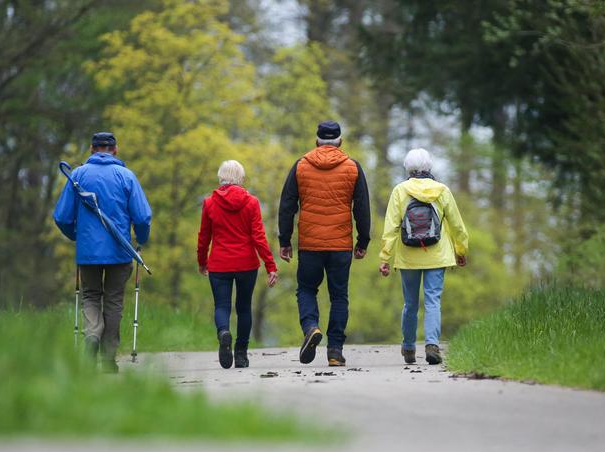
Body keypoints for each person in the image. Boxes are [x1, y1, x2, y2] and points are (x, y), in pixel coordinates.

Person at [53, 132, 152, 373]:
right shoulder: (126, 176)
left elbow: (62, 217)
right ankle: (108, 358)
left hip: (88, 253)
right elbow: (142, 216)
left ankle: (92, 337)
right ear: (115, 150)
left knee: (90, 296)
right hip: (120, 251)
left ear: (91, 149)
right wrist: (141, 239)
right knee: (114, 300)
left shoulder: (77, 175)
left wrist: (78, 236)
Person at [278, 120, 371, 367]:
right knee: (339, 296)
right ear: (340, 141)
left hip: (310, 244)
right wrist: (363, 240)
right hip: (340, 245)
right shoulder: (352, 167)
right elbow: (362, 208)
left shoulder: (301, 166)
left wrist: (284, 240)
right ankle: (335, 352)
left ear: (316, 141)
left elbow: (287, 205)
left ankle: (311, 327)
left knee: (307, 289)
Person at [378, 148, 468, 365]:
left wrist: (385, 257)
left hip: (408, 257)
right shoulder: (442, 190)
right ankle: (432, 345)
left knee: (410, 303)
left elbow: (390, 227)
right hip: (437, 255)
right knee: (432, 301)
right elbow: (457, 224)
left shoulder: (400, 191)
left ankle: (409, 347)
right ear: (429, 167)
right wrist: (461, 249)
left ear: (408, 168)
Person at [198, 160, 279, 369]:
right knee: (244, 308)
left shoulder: (209, 203)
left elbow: (203, 237)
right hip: (246, 264)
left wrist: (202, 261)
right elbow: (259, 237)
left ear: (220, 178)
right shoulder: (251, 202)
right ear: (241, 179)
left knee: (222, 305)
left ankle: (224, 332)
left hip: (219, 263)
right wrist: (270, 265)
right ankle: (241, 354)